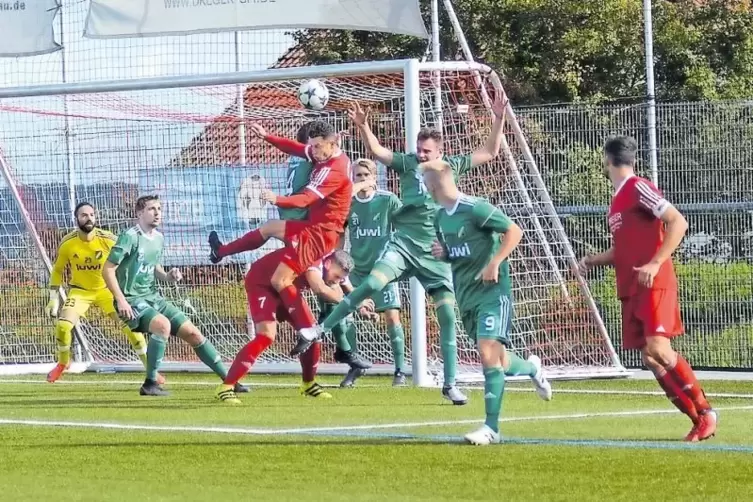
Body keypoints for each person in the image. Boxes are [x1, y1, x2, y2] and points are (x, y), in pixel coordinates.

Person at [318, 97, 508, 405]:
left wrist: (498, 119)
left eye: (426, 152)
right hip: (405, 244)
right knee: (372, 284)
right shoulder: (407, 164)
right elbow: (378, 152)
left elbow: (490, 151)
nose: (420, 155)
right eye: (419, 150)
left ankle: (449, 383)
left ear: (439, 153)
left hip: (436, 253)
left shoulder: (453, 165)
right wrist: (364, 125)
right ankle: (320, 329)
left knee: (447, 314)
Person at [579, 135, 716, 442]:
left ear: (607, 160)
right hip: (632, 285)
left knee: (658, 348)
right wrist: (592, 260)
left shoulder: (638, 187)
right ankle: (696, 419)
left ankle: (707, 413)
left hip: (654, 281)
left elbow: (677, 222)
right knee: (650, 358)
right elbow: (623, 250)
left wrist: (655, 263)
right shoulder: (616, 201)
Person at [207, 120, 358, 364]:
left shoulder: (335, 169)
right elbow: (296, 149)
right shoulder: (322, 153)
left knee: (285, 280)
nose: (314, 152)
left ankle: (311, 329)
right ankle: (221, 251)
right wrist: (267, 136)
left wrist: (275, 199)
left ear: (333, 143)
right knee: (268, 229)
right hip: (314, 227)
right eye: (313, 147)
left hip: (321, 234)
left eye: (318, 147)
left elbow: (305, 200)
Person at [424, 159, 551, 445]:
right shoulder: (439, 217)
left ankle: (491, 428)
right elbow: (458, 252)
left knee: (487, 350)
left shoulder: (475, 208)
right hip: (466, 295)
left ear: (433, 185)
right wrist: (445, 253)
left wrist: (495, 261)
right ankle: (532, 368)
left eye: (426, 184)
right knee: (499, 359)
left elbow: (514, 231)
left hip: (493, 293)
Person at [102, 195, 248, 397]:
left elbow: (155, 268)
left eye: (159, 208)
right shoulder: (130, 236)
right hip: (132, 300)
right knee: (162, 325)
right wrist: (121, 300)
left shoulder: (159, 238)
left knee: (194, 333)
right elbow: (108, 269)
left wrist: (168, 276)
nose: (157, 213)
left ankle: (230, 380)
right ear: (139, 213)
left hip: (153, 297)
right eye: (152, 208)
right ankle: (150, 383)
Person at [215, 249, 375, 404]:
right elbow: (320, 289)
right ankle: (227, 386)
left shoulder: (337, 266)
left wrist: (361, 306)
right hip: (263, 284)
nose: (337, 281)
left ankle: (308, 384)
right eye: (336, 276)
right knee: (266, 336)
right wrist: (349, 304)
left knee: (313, 334)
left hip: (287, 288)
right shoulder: (316, 263)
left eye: (341, 279)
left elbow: (349, 291)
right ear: (328, 264)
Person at [45, 202, 162, 384]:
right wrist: (53, 298)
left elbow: (129, 258)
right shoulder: (68, 243)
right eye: (84, 215)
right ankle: (63, 363)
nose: (89, 218)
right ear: (76, 218)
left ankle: (150, 371)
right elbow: (58, 270)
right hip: (80, 292)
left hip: (107, 291)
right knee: (62, 327)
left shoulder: (108, 239)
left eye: (92, 214)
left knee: (133, 329)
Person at [331, 158, 406, 387]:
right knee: (346, 315)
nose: (361, 180)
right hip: (358, 269)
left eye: (365, 175)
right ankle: (355, 367)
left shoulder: (388, 200)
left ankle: (400, 371)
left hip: (383, 270)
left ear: (374, 178)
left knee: (392, 317)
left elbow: (404, 226)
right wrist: (338, 257)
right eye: (357, 176)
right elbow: (341, 232)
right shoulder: (349, 203)